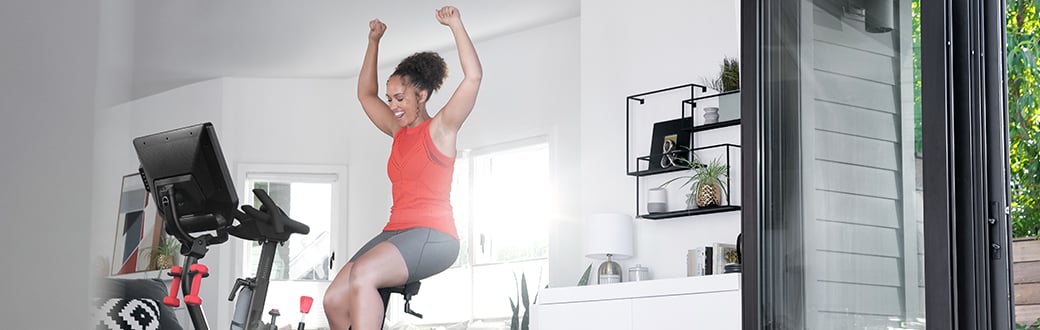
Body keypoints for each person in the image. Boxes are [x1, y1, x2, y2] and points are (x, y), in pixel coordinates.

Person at [323, 6, 481, 330]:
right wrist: (373, 41)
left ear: (421, 95)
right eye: (390, 99)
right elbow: (365, 94)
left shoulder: (442, 129)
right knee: (334, 299)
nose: (393, 106)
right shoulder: (398, 132)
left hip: (435, 235)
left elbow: (473, 77)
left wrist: (456, 24)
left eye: (399, 98)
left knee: (364, 274)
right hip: (395, 231)